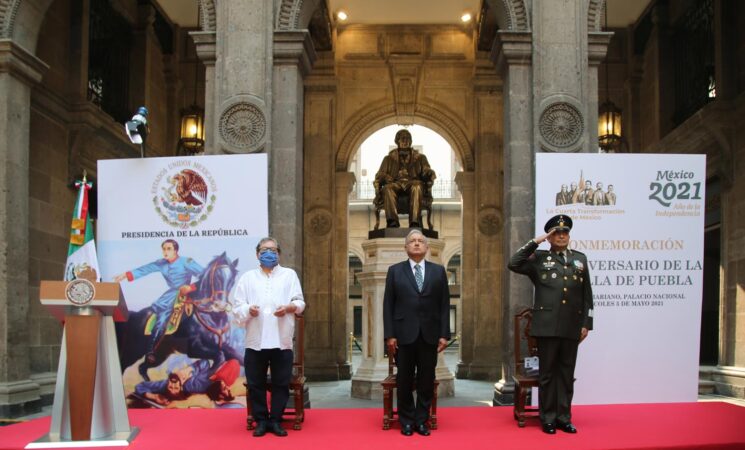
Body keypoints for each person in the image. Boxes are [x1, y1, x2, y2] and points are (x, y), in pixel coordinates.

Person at [507, 215, 593, 435]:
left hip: (572, 326)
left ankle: (564, 417)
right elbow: (513, 263)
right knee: (547, 375)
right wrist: (535, 242)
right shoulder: (539, 259)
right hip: (546, 326)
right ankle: (548, 418)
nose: (561, 236)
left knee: (566, 374)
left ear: (569, 236)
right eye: (556, 233)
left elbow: (587, 297)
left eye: (565, 233)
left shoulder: (580, 259)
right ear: (550, 237)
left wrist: (586, 324)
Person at [233, 237, 305, 438]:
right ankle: (261, 421)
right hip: (256, 341)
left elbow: (300, 302)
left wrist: (290, 307)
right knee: (256, 384)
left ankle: (276, 420)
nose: (269, 253)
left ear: (279, 254)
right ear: (257, 254)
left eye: (273, 250)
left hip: (281, 340)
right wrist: (249, 309)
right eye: (264, 249)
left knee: (281, 383)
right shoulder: (248, 278)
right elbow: (237, 307)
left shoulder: (289, 275)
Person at [383, 230, 450, 437]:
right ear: (406, 247)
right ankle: (407, 421)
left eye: (421, 241)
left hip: (430, 335)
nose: (417, 244)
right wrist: (390, 335)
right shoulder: (395, 271)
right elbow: (388, 306)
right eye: (412, 241)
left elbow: (444, 305)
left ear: (427, 247)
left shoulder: (438, 271)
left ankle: (422, 421)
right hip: (403, 335)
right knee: (404, 380)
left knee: (426, 380)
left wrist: (444, 334)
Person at [114, 239, 203, 361]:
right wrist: (125, 275)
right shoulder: (161, 263)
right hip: (170, 297)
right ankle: (151, 350)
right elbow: (146, 269)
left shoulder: (187, 262)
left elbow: (205, 275)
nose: (165, 252)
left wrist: (191, 287)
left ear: (176, 250)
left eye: (169, 249)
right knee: (161, 318)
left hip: (188, 295)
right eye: (164, 249)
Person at [374, 129, 436, 228]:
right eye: (402, 138)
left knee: (417, 186)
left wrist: (429, 172)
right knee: (387, 188)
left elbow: (425, 170)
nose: (405, 141)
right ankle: (392, 222)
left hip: (412, 181)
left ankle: (415, 222)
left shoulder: (420, 157)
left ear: (410, 141)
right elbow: (379, 174)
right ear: (397, 141)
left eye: (408, 139)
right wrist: (386, 177)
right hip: (395, 182)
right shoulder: (388, 158)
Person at [133, 358, 239, 407]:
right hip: (211, 370)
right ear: (181, 388)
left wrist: (153, 396)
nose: (173, 385)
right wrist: (191, 370)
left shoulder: (164, 385)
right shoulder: (198, 386)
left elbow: (140, 386)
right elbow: (205, 363)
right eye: (175, 388)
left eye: (171, 387)